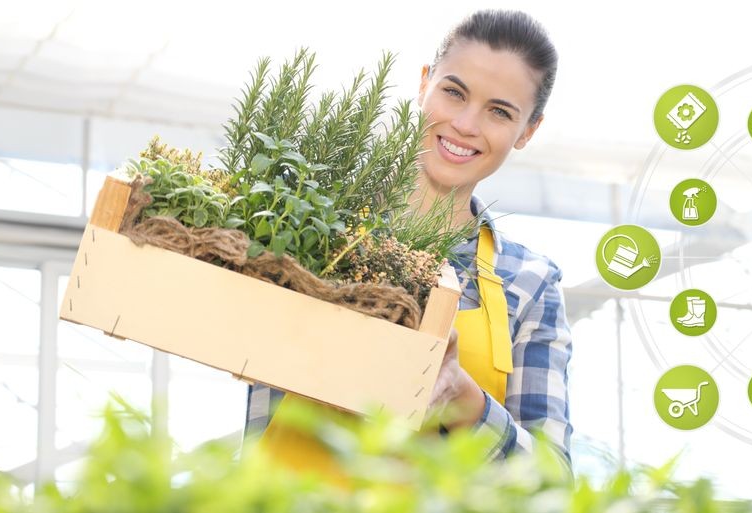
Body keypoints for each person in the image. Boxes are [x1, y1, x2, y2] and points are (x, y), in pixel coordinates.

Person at [244, 9, 574, 475]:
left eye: (500, 111)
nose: (464, 124)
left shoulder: (528, 283)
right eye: (454, 92)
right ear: (424, 83)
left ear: (528, 131)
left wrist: (462, 396)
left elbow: (551, 483)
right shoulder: (314, 229)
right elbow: (259, 407)